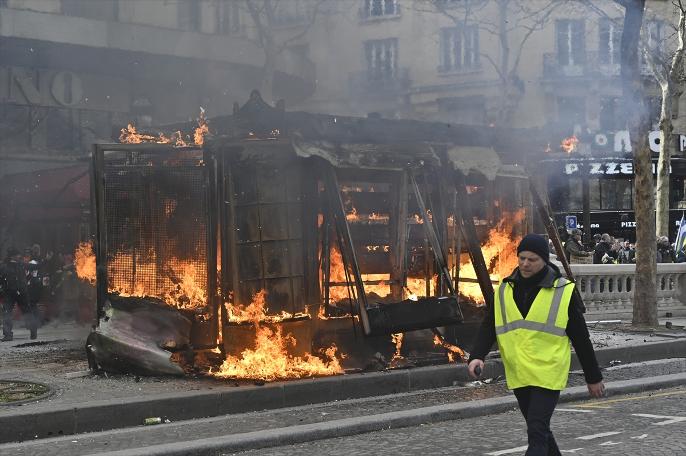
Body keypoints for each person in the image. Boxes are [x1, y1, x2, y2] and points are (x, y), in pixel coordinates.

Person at [468, 234, 604, 455]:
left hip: (548, 373)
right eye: (521, 258)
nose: (525, 264)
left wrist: (593, 377)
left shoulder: (563, 291)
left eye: (532, 259)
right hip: (519, 372)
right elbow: (488, 326)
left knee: (537, 429)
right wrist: (477, 355)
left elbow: (581, 338)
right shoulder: (503, 290)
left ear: (544, 261)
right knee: (539, 429)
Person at [1, 247, 38, 341]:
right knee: (7, 313)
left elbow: (34, 267)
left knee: (27, 311)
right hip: (9, 293)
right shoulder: (4, 266)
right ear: (13, 256)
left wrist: (46, 260)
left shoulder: (21, 264)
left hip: (22, 293)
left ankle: (33, 329)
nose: (20, 256)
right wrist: (3, 288)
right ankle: (8, 335)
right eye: (18, 255)